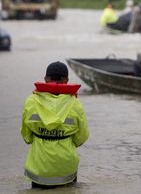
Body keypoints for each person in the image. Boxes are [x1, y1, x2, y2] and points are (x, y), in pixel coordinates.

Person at [20, 61, 89, 189]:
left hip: (39, 168)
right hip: (66, 167)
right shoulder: (75, 104)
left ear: (46, 79)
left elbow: (26, 137)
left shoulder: (31, 101)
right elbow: (81, 138)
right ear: (67, 80)